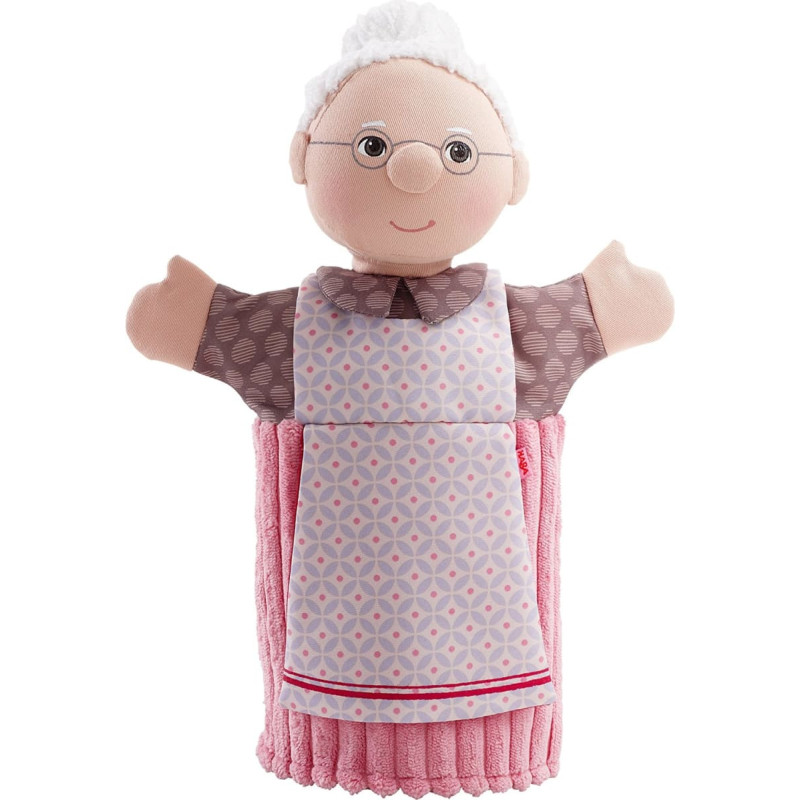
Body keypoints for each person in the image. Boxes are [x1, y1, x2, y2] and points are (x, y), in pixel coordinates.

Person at [126, 0, 673, 790]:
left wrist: (609, 298)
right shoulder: (294, 330)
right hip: (327, 693)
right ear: (305, 158)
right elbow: (209, 329)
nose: (415, 171)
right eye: (373, 147)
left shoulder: (516, 326)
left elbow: (601, 314)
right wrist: (194, 313)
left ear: (513, 174)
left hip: (495, 666)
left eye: (458, 152)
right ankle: (340, 739)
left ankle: (480, 742)